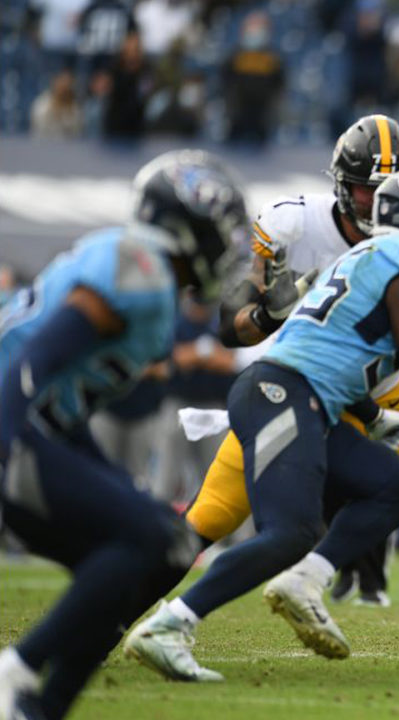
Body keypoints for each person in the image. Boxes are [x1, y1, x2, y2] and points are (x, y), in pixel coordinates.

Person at [124, 166, 399, 683]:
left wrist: (371, 415)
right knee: (283, 533)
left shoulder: (363, 257)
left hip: (312, 397)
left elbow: (338, 353)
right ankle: (175, 621)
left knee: (394, 486)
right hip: (285, 395)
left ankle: (308, 578)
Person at [0, 150, 245, 720]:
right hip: (10, 417)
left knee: (168, 546)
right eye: (220, 233)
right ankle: (18, 671)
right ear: (187, 227)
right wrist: (7, 436)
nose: (226, 248)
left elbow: (64, 405)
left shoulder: (153, 286)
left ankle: (39, 706)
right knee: (148, 540)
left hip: (32, 423)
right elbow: (35, 360)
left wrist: (109, 480)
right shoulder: (141, 266)